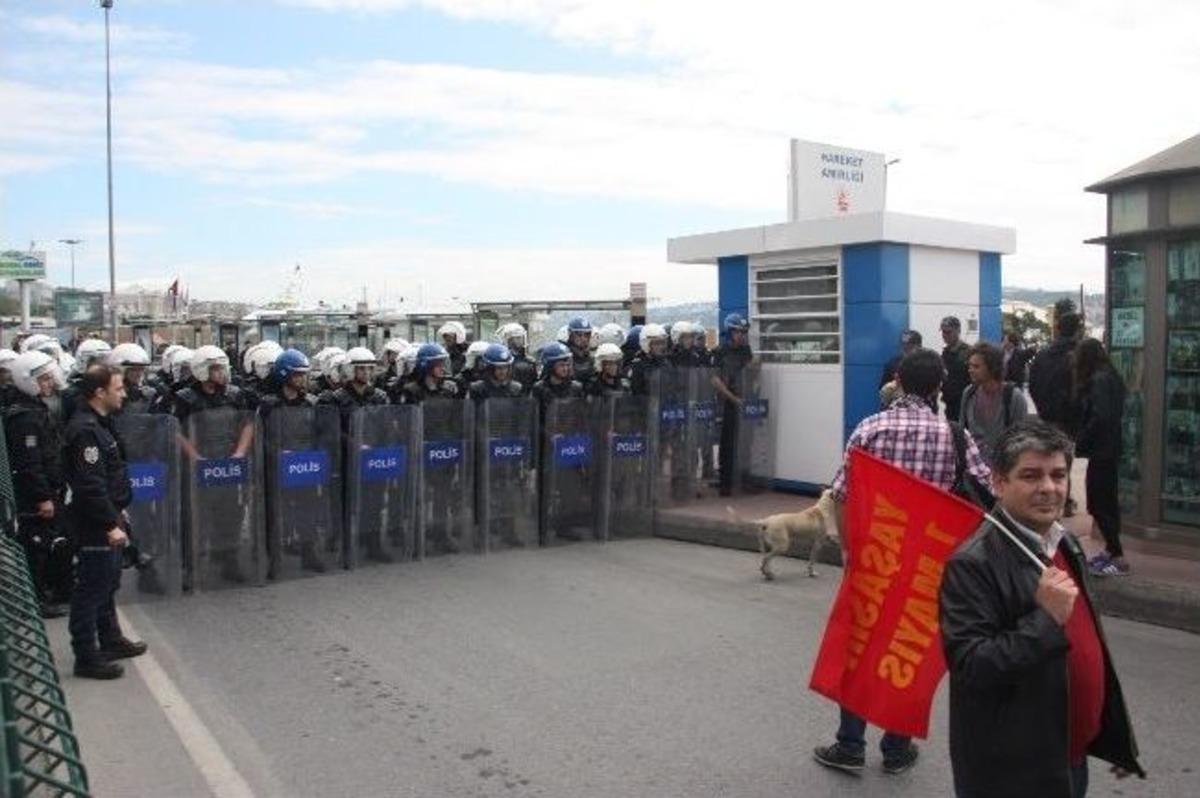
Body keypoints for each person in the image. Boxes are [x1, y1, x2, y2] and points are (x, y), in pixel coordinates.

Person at [939, 420, 1144, 797]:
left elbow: (1087, 646)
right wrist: (1045, 618)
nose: (1049, 488)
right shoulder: (973, 562)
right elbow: (972, 666)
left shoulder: (1064, 543)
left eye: (1058, 475)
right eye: (1031, 476)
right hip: (1014, 773)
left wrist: (1109, 734)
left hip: (1069, 755)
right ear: (1000, 483)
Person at [814, 348, 991, 777]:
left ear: (898, 380)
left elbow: (842, 493)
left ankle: (850, 745)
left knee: (862, 646)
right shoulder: (954, 434)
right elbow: (987, 490)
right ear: (937, 386)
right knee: (908, 647)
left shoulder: (871, 428)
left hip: (876, 556)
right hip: (931, 564)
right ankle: (897, 748)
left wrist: (849, 548)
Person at [65, 364, 148, 680]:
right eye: (118, 388)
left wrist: (118, 512)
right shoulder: (85, 430)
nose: (124, 393)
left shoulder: (99, 424)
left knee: (108, 582)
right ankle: (86, 656)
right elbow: (89, 485)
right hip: (95, 522)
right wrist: (108, 524)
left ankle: (111, 640)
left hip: (109, 512)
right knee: (92, 588)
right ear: (99, 393)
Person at [4, 351, 72, 618]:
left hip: (49, 488)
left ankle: (48, 592)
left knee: (49, 542)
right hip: (35, 496)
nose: (49, 384)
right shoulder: (25, 418)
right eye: (43, 379)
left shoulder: (34, 409)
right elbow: (30, 463)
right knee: (37, 546)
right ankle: (37, 600)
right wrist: (43, 497)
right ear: (28, 380)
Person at [1072, 339, 1129, 577]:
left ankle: (1117, 556)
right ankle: (1111, 550)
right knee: (1104, 500)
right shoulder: (1110, 376)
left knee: (1099, 502)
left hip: (1101, 450)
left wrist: (1081, 440)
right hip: (1109, 449)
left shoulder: (1098, 380)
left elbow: (1099, 416)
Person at [1029, 311, 1084, 515]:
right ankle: (1064, 502)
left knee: (1047, 460)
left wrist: (1043, 407)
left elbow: (1033, 385)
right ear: (1077, 330)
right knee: (1064, 462)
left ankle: (1048, 501)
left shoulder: (1043, 354)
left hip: (1047, 416)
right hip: (1069, 419)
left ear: (1058, 329)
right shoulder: (1079, 354)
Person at [961, 341, 1029, 466]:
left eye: (976, 366)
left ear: (992, 368)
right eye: (969, 366)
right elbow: (963, 432)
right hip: (974, 470)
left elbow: (1022, 438)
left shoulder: (1013, 397)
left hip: (1004, 468)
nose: (970, 370)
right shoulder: (969, 393)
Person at [709, 313, 753, 496]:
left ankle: (743, 479)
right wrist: (733, 398)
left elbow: (751, 371)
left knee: (745, 442)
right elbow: (714, 380)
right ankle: (725, 483)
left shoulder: (745, 350)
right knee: (727, 443)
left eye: (743, 332)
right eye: (738, 332)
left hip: (743, 400)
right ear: (729, 331)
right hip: (726, 403)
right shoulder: (720, 351)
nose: (741, 335)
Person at [320, 346, 389, 417]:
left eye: (370, 368)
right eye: (362, 368)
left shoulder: (380, 397)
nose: (367, 372)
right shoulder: (337, 398)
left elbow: (385, 424)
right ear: (351, 370)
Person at [106, 343, 156, 413]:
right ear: (119, 369)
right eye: (134, 369)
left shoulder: (144, 393)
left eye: (142, 369)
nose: (139, 374)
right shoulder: (108, 395)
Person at [531, 342, 583, 409]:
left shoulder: (576, 388)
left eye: (567, 365)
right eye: (561, 365)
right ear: (550, 366)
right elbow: (533, 413)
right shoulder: (539, 388)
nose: (565, 369)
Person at [940, 316, 972, 422]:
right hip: (950, 402)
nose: (945, 335)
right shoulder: (945, 352)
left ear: (958, 331)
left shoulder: (968, 352)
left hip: (965, 402)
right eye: (943, 332)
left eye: (948, 332)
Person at [629, 323, 670, 397]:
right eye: (657, 344)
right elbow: (636, 394)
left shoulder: (666, 363)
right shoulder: (638, 366)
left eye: (662, 343)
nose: (661, 347)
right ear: (646, 344)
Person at [496, 323, 538, 391]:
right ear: (508, 340)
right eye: (517, 338)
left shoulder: (530, 361)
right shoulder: (503, 361)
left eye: (521, 337)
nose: (520, 340)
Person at [565, 317, 595, 384]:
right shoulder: (563, 355)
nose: (584, 339)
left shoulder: (591, 356)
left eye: (587, 335)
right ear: (571, 335)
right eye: (579, 335)